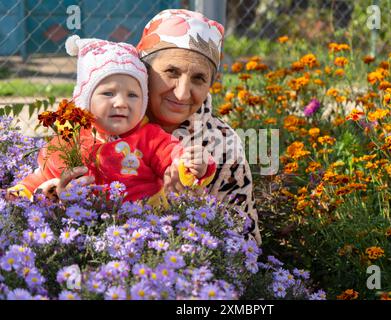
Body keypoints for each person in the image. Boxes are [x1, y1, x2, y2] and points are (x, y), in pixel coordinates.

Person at [7, 35, 216, 206]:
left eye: (133, 95)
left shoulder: (149, 138)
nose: (121, 103)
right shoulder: (70, 141)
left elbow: (172, 155)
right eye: (108, 94)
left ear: (144, 100)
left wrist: (192, 163)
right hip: (83, 227)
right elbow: (42, 174)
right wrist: (22, 193)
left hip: (143, 223)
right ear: (85, 102)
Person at [135, 9, 261, 244]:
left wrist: (195, 202)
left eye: (198, 79)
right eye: (171, 72)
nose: (182, 94)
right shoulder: (107, 125)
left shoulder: (222, 143)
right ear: (144, 70)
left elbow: (246, 239)